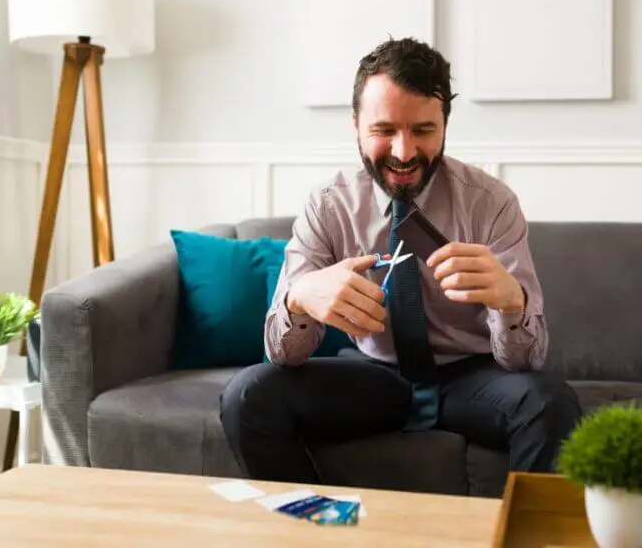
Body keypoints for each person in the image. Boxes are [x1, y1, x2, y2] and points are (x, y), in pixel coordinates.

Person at [219, 37, 582, 485]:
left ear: (445, 125)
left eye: (423, 131)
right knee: (246, 396)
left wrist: (511, 302)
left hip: (471, 379)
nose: (404, 152)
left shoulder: (492, 205)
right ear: (355, 124)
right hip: (373, 377)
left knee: (550, 403)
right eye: (384, 130)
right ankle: (315, 529)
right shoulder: (328, 207)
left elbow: (528, 362)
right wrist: (298, 300)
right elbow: (281, 353)